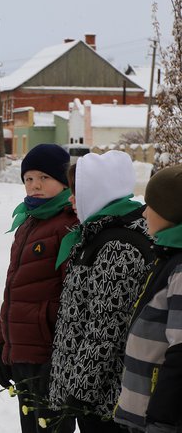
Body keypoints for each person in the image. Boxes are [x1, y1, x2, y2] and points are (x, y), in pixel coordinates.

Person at [48, 151, 151, 432]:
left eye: (76, 192)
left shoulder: (118, 246)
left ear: (97, 192)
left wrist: (79, 393)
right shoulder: (98, 235)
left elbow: (106, 329)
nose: (71, 199)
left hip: (107, 400)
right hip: (94, 395)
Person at [0, 144, 77, 433]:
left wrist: (61, 357)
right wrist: (1, 344)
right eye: (29, 179)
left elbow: (74, 298)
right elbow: (13, 291)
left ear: (64, 182)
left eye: (44, 178)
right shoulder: (27, 224)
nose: (35, 186)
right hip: (22, 352)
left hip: (49, 357)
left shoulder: (69, 225)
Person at [114, 164, 182, 432]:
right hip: (145, 412)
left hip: (159, 419)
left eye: (151, 205)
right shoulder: (166, 256)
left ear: (171, 214)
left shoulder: (180, 269)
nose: (144, 213)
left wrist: (161, 418)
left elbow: (181, 351)